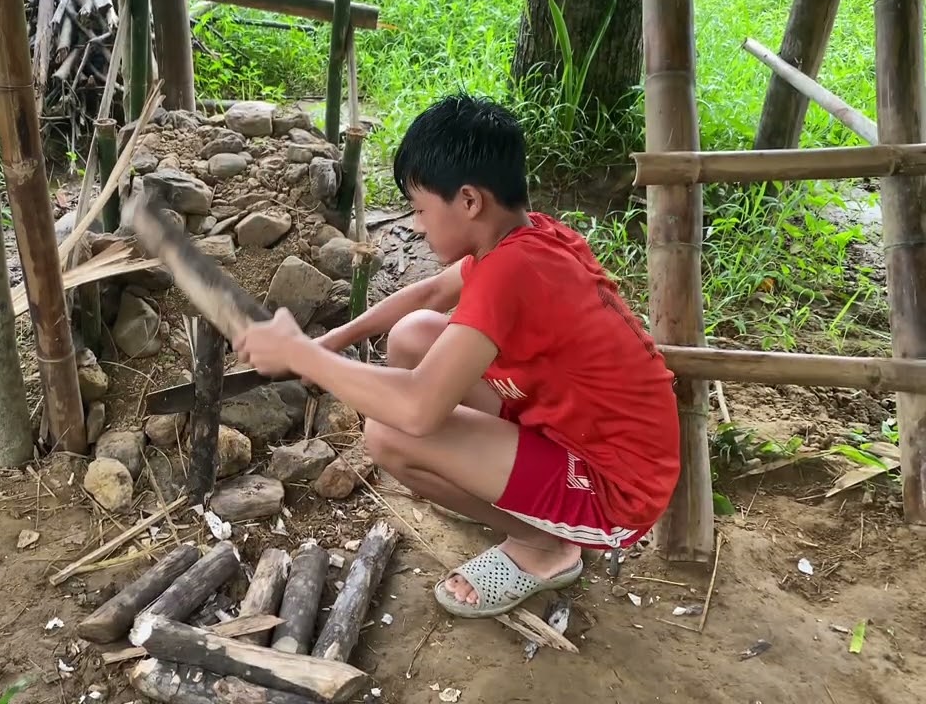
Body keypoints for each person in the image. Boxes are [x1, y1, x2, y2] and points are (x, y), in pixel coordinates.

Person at [231, 93, 681, 618]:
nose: (417, 225)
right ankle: (511, 495)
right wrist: (325, 344)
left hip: (617, 490)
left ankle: (547, 547)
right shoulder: (526, 239)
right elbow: (424, 298)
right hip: (580, 429)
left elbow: (419, 409)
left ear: (468, 201)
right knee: (416, 334)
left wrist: (305, 359)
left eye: (421, 209)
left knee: (390, 436)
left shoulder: (511, 273)